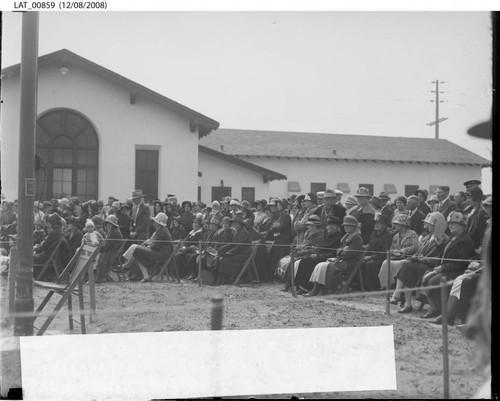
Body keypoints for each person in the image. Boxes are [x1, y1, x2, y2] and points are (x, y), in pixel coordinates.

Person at [420, 211, 476, 319]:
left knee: (434, 280)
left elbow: (461, 262)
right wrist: (440, 245)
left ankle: (444, 311)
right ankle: (434, 308)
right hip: (447, 269)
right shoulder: (452, 238)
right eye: (449, 223)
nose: (449, 225)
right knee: (426, 276)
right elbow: (445, 255)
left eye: (453, 223)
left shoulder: (466, 241)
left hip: (457, 271)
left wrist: (442, 268)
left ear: (462, 226)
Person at [389, 212, 448, 312]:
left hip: (432, 267)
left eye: (430, 225)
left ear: (437, 225)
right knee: (407, 266)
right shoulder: (427, 237)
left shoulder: (443, 239)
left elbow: (441, 258)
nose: (427, 226)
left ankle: (398, 295)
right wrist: (416, 256)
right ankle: (406, 303)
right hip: (421, 264)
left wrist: (421, 259)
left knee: (406, 266)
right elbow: (419, 251)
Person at [304, 215, 363, 296]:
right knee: (320, 265)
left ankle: (316, 290)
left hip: (349, 263)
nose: (346, 228)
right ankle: (317, 288)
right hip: (342, 260)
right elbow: (339, 251)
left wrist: (341, 252)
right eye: (345, 226)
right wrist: (341, 251)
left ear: (354, 227)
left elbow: (351, 253)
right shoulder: (347, 237)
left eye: (348, 226)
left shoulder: (357, 238)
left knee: (323, 266)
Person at [294, 216, 343, 293]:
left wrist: (317, 255)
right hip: (320, 256)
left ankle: (307, 287)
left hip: (327, 259)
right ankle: (301, 286)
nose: (327, 228)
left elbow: (331, 253)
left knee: (305, 262)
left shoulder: (337, 239)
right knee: (304, 261)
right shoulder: (328, 236)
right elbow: (321, 248)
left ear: (334, 227)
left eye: (328, 226)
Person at [278, 215, 325, 290]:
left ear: (315, 226)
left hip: (311, 256)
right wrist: (298, 249)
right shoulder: (310, 234)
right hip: (304, 254)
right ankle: (290, 283)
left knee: (296, 262)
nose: (308, 226)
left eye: (310, 225)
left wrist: (302, 252)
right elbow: (305, 245)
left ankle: (295, 285)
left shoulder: (320, 236)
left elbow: (316, 250)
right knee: (288, 259)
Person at [127, 212, 173, 282]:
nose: (154, 223)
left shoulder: (162, 232)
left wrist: (148, 245)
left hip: (163, 254)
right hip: (161, 252)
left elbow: (155, 246)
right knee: (137, 251)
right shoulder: (161, 230)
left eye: (155, 222)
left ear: (158, 223)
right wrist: (149, 245)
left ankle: (130, 267)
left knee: (137, 250)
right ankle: (143, 275)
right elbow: (156, 245)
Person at [378, 214, 419, 290]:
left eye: (397, 224)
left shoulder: (413, 234)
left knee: (401, 264)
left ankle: (399, 286)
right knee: (385, 262)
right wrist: (394, 252)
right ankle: (386, 286)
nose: (395, 225)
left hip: (408, 258)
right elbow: (391, 248)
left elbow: (415, 246)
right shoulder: (395, 236)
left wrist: (402, 251)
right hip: (396, 258)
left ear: (403, 225)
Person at [360, 213, 393, 291]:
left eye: (379, 223)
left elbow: (384, 252)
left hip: (380, 259)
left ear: (385, 226)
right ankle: (360, 284)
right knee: (359, 260)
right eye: (376, 223)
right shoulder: (374, 234)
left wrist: (370, 257)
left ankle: (373, 287)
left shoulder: (387, 236)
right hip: (370, 256)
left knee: (370, 264)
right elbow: (370, 245)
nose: (376, 225)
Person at [215, 214, 252, 285]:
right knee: (220, 256)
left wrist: (230, 252)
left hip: (243, 255)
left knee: (224, 259)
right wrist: (223, 248)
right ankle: (222, 278)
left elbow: (239, 246)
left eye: (237, 223)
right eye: (234, 223)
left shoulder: (243, 232)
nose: (235, 224)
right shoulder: (238, 231)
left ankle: (226, 279)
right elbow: (233, 244)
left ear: (241, 224)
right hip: (238, 253)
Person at [95, 215, 124, 283]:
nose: (108, 225)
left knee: (99, 256)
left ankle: (99, 278)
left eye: (110, 224)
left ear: (113, 225)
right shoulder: (112, 231)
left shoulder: (114, 232)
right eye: (107, 224)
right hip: (111, 251)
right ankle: (96, 276)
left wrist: (98, 247)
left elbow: (105, 247)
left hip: (112, 252)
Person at [268, 199, 293, 274]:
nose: (277, 206)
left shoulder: (286, 215)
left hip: (284, 238)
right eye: (277, 205)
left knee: (282, 255)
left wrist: (273, 228)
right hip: (279, 237)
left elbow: (282, 227)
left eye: (279, 205)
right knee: (277, 255)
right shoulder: (281, 215)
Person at [463, 187, 488, 251]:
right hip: (464, 242)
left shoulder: (483, 213)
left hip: (474, 244)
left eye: (469, 197)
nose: (467, 200)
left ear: (476, 198)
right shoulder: (467, 209)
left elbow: (480, 233)